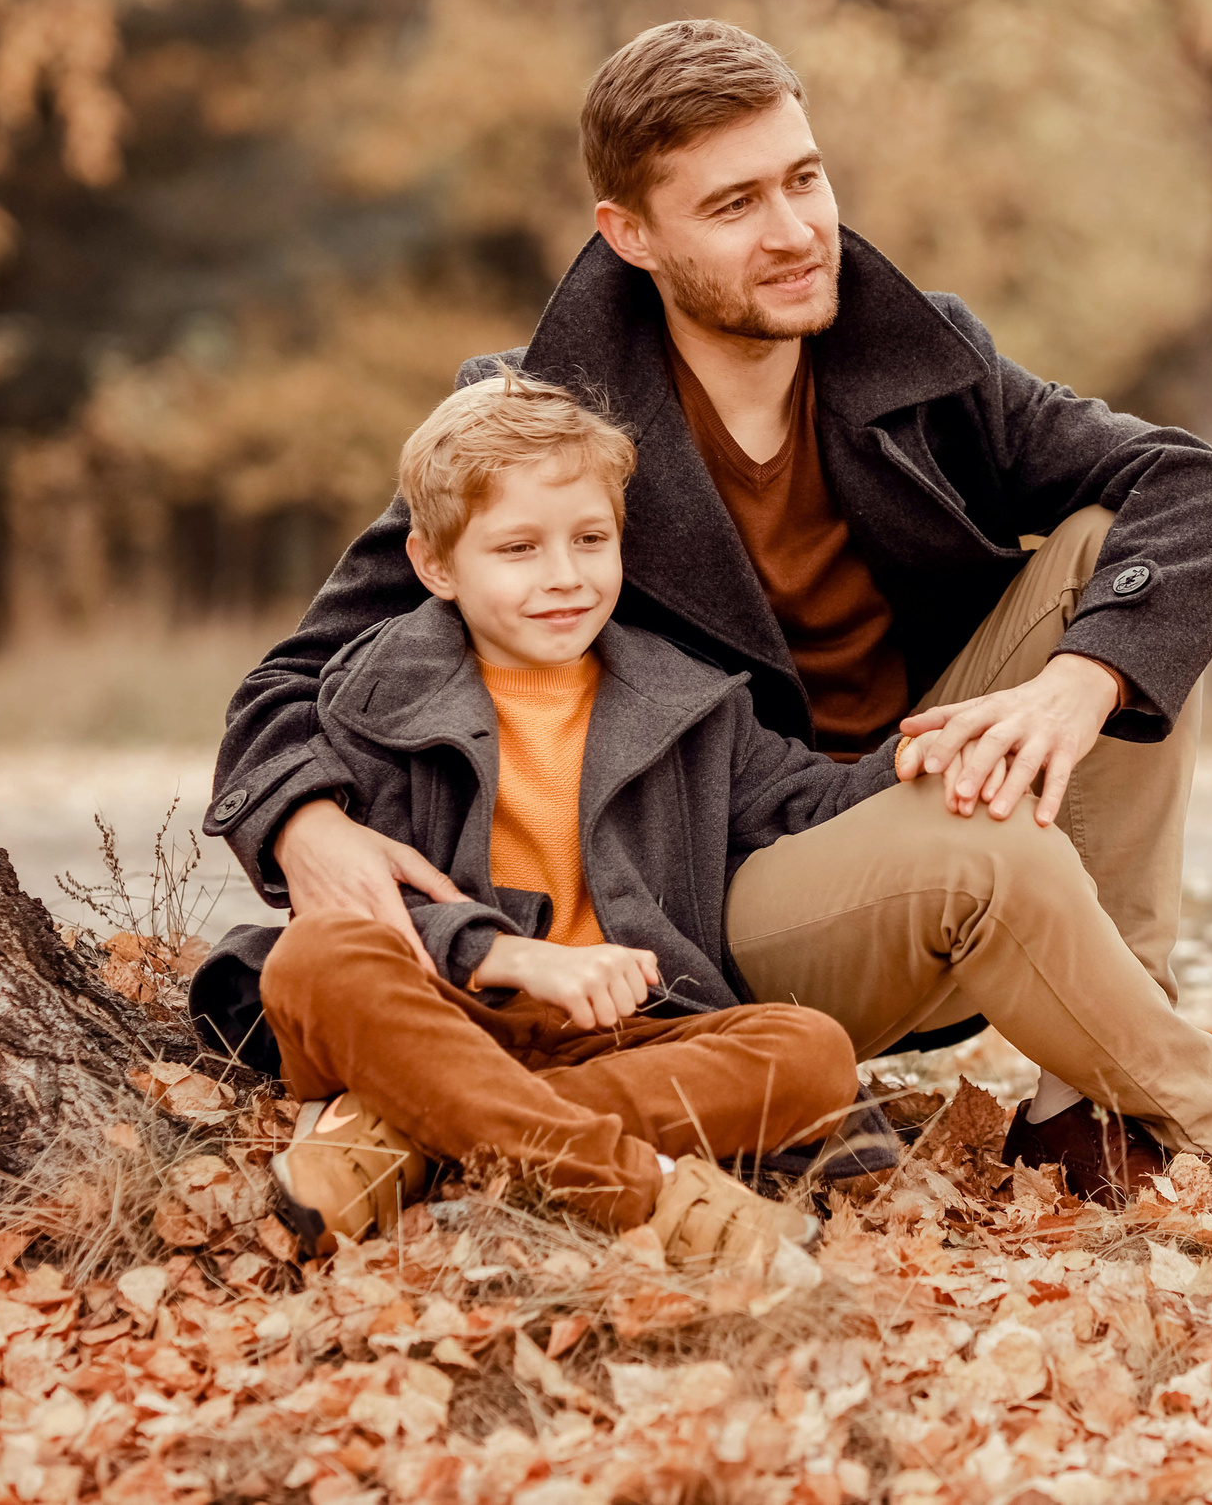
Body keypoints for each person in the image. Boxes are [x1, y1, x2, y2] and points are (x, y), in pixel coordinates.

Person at [210, 20, 1212, 1250]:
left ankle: (1083, 1107)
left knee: (1121, 563)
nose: (796, 229)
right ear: (630, 234)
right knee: (985, 839)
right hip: (712, 880)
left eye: (804, 176)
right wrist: (306, 826)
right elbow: (302, 674)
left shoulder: (921, 357)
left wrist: (1077, 685)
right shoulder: (543, 428)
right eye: (734, 204)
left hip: (888, 784)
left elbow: (1211, 495)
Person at [199, 370, 897, 1268]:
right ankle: (653, 1196)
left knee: (809, 1050)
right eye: (518, 549)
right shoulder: (375, 693)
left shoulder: (690, 700)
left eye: (590, 540)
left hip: (626, 1038)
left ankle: (419, 1129)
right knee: (313, 958)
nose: (564, 577)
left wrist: (915, 759)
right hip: (445, 1010)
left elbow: (814, 800)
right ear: (435, 565)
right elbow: (363, 905)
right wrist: (514, 956)